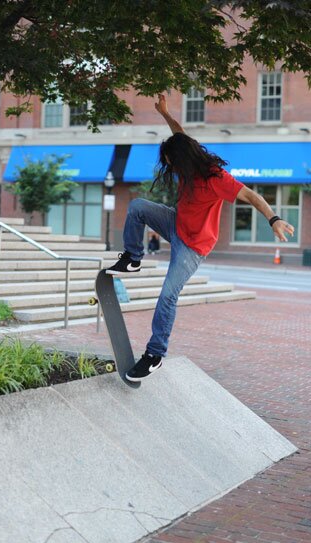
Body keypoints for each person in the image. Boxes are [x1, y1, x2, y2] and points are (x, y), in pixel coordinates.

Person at [106, 93, 295, 382]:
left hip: (193, 247)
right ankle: (133, 258)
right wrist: (166, 115)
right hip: (175, 223)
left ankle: (155, 354)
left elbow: (250, 195)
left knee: (168, 295)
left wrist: (274, 218)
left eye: (173, 163)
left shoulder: (215, 178)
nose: (172, 169)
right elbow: (179, 135)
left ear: (183, 160)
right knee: (137, 207)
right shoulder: (186, 157)